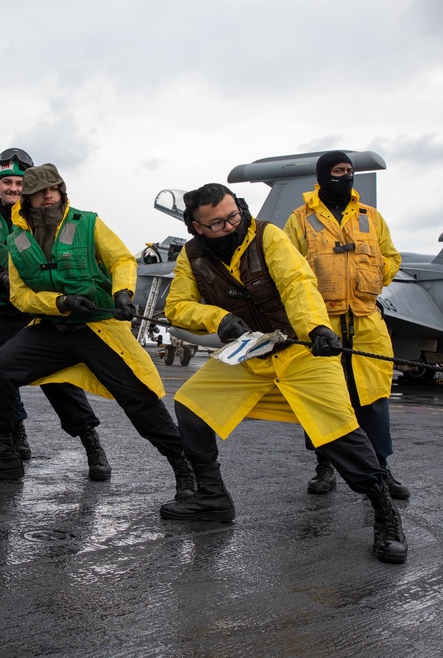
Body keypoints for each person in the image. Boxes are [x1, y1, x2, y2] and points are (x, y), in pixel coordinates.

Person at [158, 182, 407, 564]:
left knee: (339, 429)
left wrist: (317, 329)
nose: (229, 226)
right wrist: (218, 318)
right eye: (217, 223)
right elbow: (177, 306)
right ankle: (212, 497)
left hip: (299, 351)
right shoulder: (191, 256)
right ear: (196, 227)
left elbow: (297, 283)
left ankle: (385, 515)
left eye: (233, 216)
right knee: (191, 406)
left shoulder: (267, 236)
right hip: (251, 355)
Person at [0, 164, 196, 502]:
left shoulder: (88, 223)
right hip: (54, 326)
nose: (50, 194)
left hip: (97, 327)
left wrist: (123, 293)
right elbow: (20, 294)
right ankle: (4, 455)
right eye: (41, 191)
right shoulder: (16, 238)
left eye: (55, 188)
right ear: (28, 199)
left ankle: (184, 466)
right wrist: (61, 302)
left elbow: (121, 261)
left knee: (137, 396)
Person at [0, 150, 111, 481]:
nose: (12, 188)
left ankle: (93, 447)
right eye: (6, 182)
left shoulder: (53, 218)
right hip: (0, 310)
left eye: (19, 183)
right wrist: (1, 279)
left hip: (46, 310)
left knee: (60, 379)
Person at [283, 151, 409, 499]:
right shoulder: (300, 219)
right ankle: (325, 466)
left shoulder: (370, 217)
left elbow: (391, 257)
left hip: (367, 318)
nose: (347, 175)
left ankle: (381, 467)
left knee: (374, 397)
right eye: (339, 170)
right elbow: (286, 266)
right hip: (321, 321)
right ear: (324, 176)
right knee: (324, 398)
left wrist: (373, 277)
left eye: (350, 171)